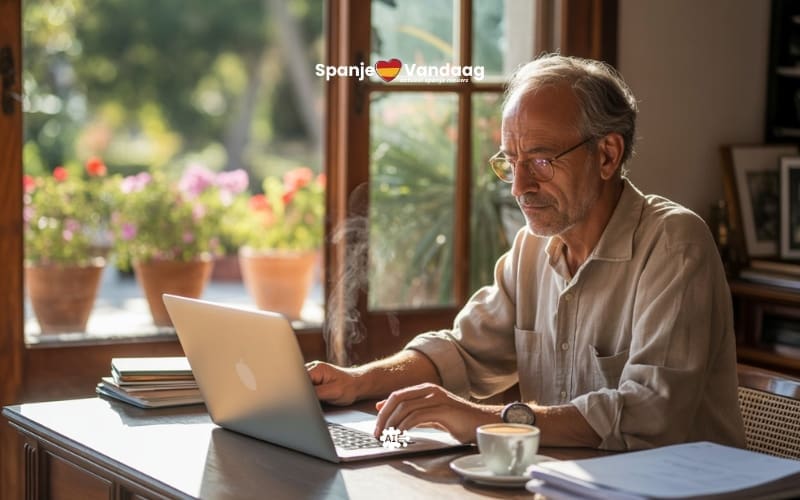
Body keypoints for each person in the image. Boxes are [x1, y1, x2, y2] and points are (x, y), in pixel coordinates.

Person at [307, 54, 746, 451]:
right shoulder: (532, 247)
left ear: (607, 155)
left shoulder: (675, 245)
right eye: (510, 162)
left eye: (540, 161)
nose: (519, 187)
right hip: (564, 484)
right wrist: (355, 381)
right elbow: (462, 352)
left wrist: (488, 420)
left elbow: (649, 415)